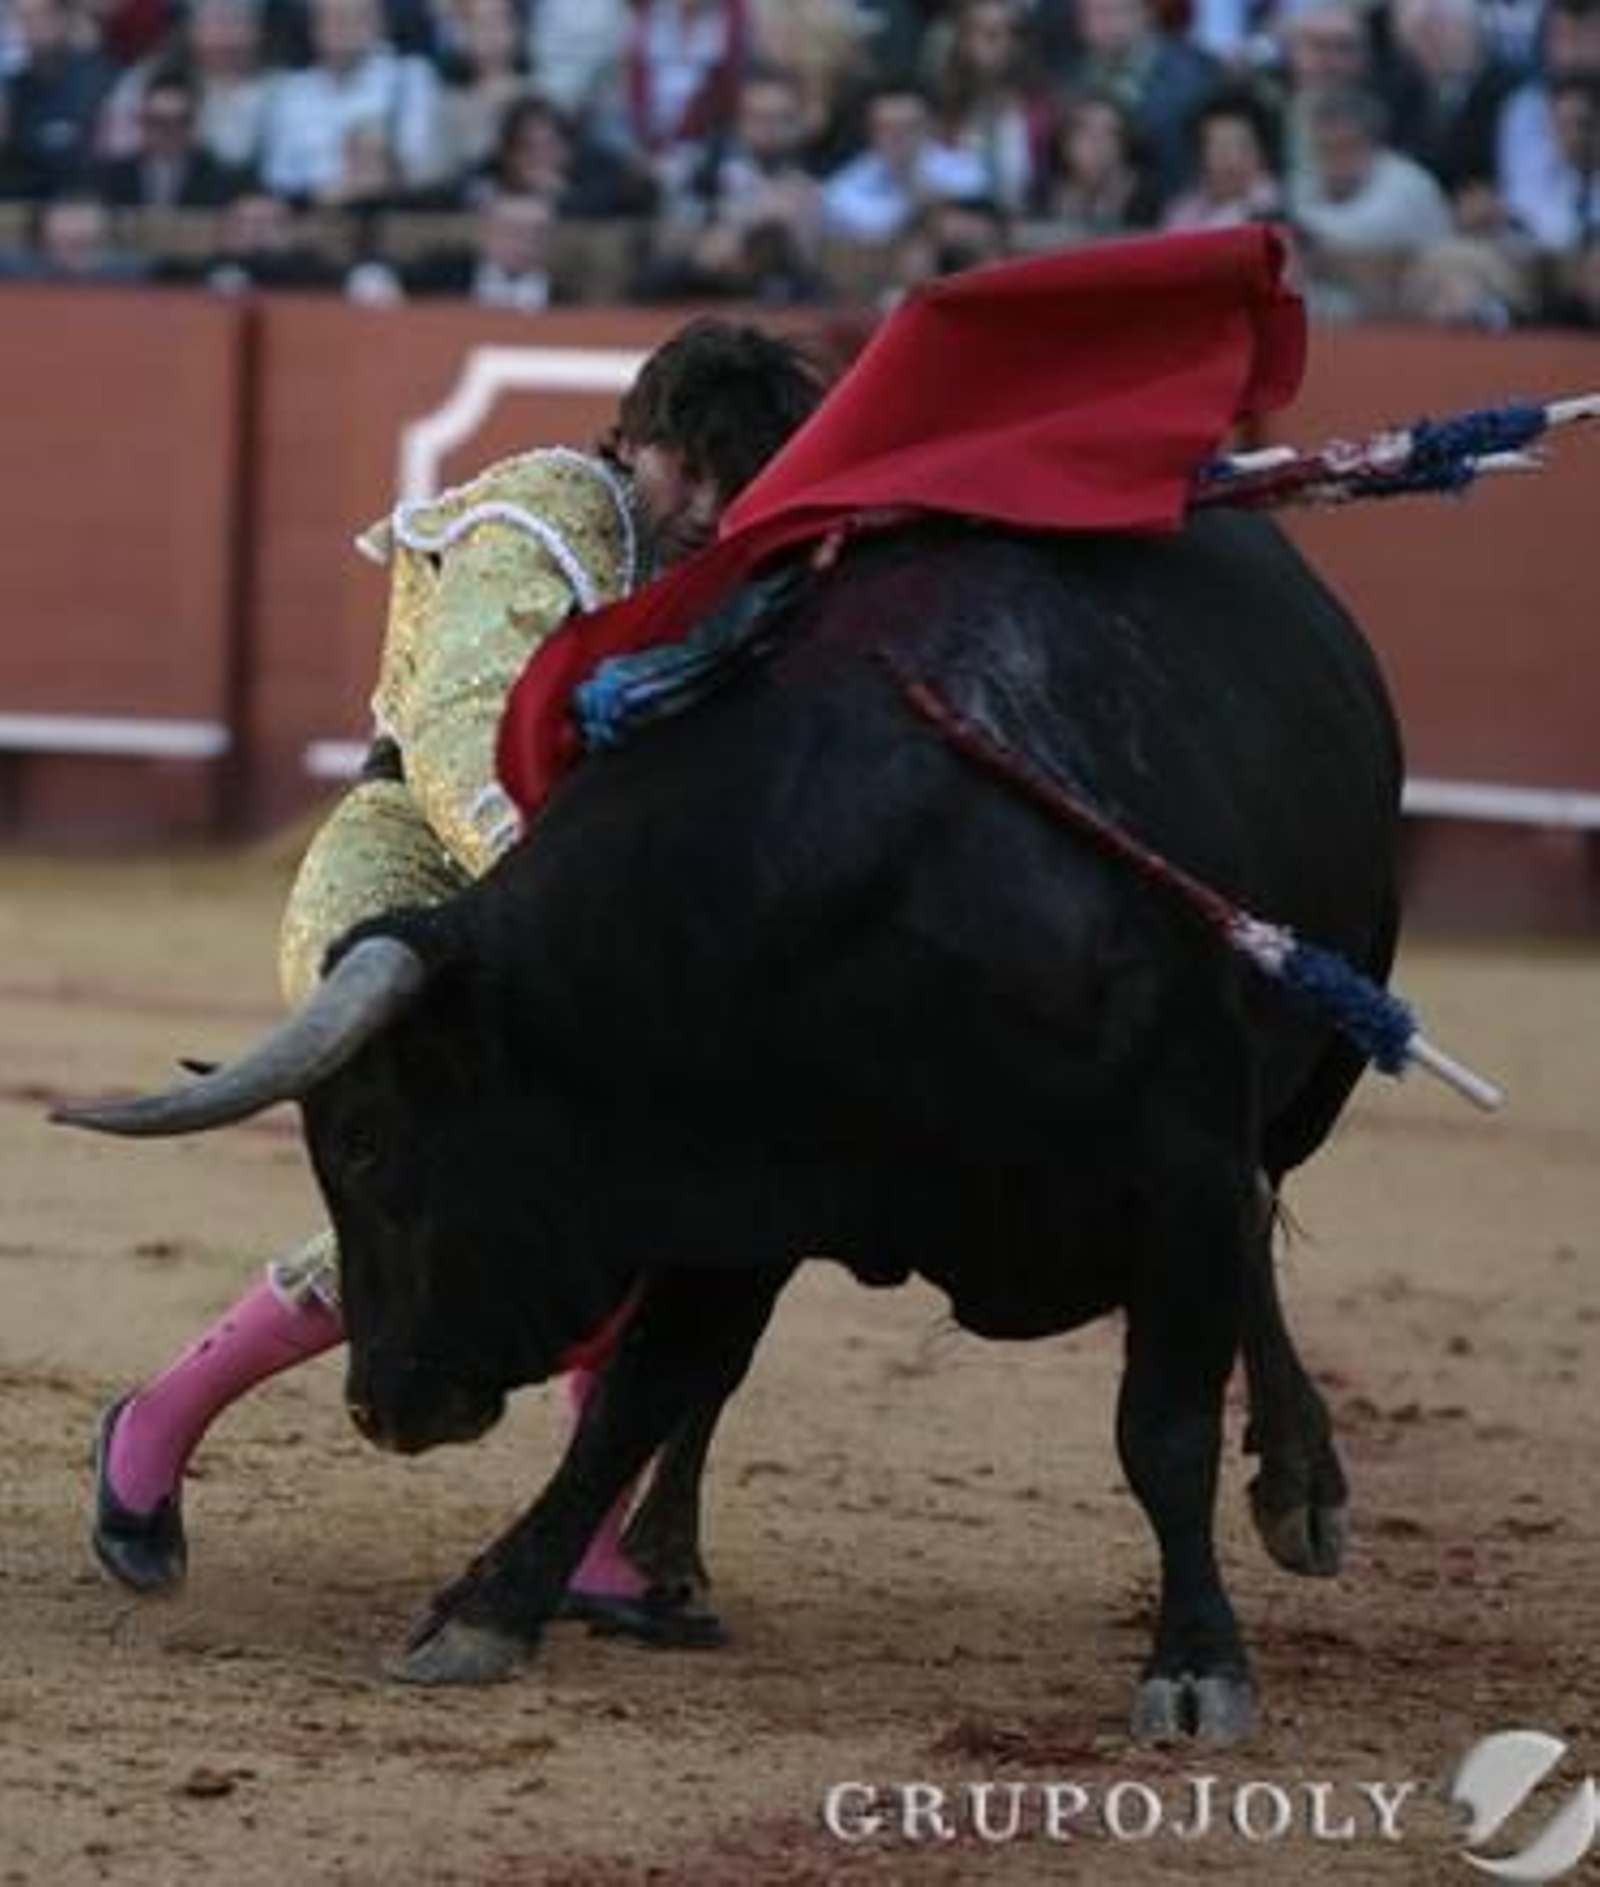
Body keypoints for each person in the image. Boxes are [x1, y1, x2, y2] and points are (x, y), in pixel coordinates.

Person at [90, 318, 828, 1609]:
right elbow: (459, 728)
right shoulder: (545, 505)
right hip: (412, 875)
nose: (706, 510)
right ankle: (157, 1422)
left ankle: (587, 1530)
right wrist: (556, 899)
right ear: (639, 441)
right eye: (688, 473)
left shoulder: (739, 570)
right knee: (436, 1196)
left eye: (737, 483)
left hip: (586, 907)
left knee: (625, 1186)